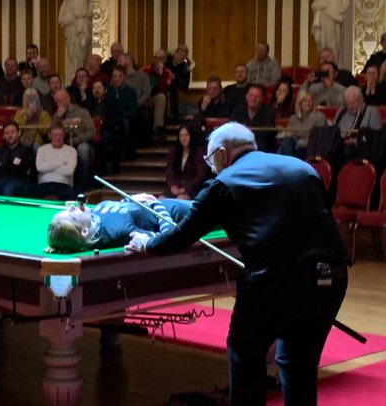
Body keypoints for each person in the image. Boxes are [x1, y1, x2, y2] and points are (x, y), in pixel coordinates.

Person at [126, 122, 349, 406]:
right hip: (331, 278)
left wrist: (145, 243)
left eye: (211, 161)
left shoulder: (225, 182)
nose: (212, 168)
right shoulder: (302, 168)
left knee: (245, 354)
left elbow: (179, 237)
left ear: (222, 153)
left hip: (276, 281)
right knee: (298, 361)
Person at [46, 193, 194, 253]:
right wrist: (156, 204)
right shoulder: (120, 232)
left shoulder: (93, 217)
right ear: (84, 231)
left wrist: (129, 200)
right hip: (181, 212)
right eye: (72, 216)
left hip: (169, 204)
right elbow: (168, 235)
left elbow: (118, 210)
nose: (72, 208)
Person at [30, 125, 77, 200]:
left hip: (64, 185)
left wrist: (48, 166)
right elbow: (40, 168)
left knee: (72, 196)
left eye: (60, 135)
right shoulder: (42, 149)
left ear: (64, 136)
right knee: (30, 194)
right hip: (44, 184)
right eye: (55, 135)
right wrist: (61, 164)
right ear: (49, 136)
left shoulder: (71, 151)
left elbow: (69, 171)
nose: (57, 138)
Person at [279, 91, 328, 159]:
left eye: (310, 101)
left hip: (312, 149)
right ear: (299, 103)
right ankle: (288, 163)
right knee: (286, 142)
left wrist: (300, 143)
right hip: (296, 148)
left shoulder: (320, 117)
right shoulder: (293, 118)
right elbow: (288, 135)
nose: (307, 103)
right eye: (304, 101)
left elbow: (319, 138)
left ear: (313, 103)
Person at [165, 126, 209, 200]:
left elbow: (200, 176)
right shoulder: (174, 152)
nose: (183, 138)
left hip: (192, 189)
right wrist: (172, 186)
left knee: (180, 200)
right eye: (181, 136)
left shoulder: (199, 153)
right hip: (175, 187)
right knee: (161, 199)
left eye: (186, 135)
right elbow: (169, 171)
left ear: (191, 136)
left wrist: (185, 188)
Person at [230, 84, 277, 153]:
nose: (253, 99)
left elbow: (265, 134)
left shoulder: (269, 112)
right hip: (239, 145)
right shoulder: (238, 111)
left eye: (257, 97)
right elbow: (232, 130)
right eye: (251, 96)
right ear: (246, 97)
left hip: (262, 148)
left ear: (263, 99)